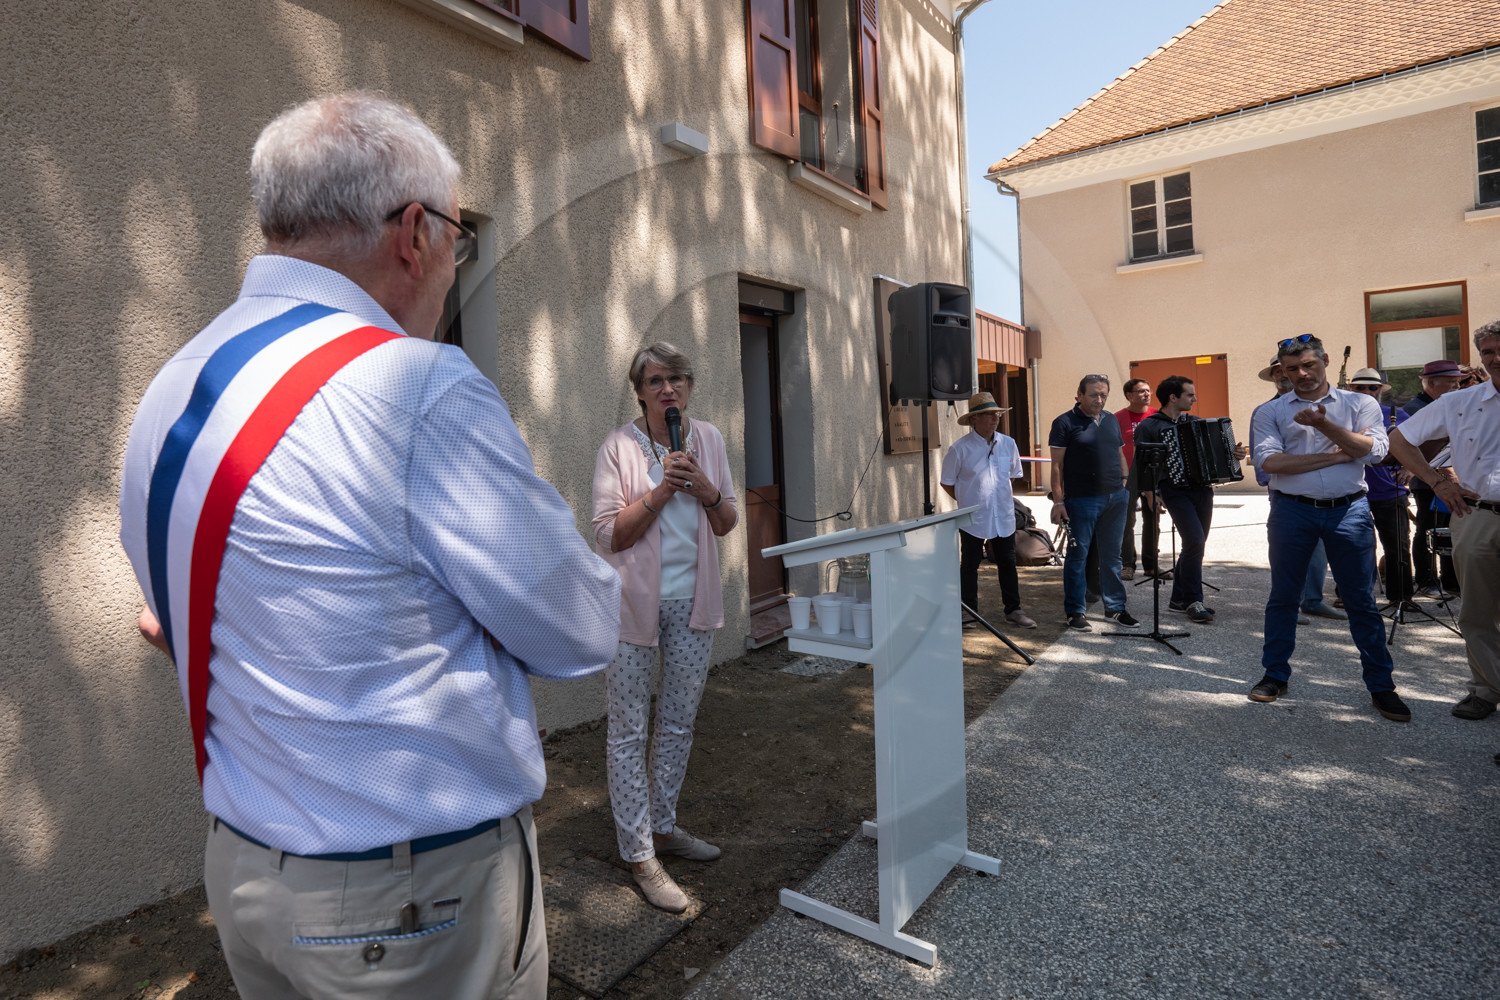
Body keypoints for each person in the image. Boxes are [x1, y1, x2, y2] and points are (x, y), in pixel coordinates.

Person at [117, 93, 622, 999]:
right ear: (416, 233)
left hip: (248, 878)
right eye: (459, 240)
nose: (452, 266)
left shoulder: (173, 384)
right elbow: (581, 629)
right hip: (409, 901)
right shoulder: (413, 388)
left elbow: (198, 609)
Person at [591, 343, 738, 912]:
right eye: (655, 381)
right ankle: (638, 852)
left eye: (676, 379)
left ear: (690, 386)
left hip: (693, 603)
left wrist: (703, 489)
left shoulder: (710, 441)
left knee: (677, 723)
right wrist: (659, 492)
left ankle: (665, 827)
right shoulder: (617, 447)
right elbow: (609, 536)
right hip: (633, 609)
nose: (667, 390)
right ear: (640, 390)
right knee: (629, 730)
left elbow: (725, 522)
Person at [1248, 334, 1409, 722]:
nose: (1301, 374)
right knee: (1284, 596)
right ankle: (1275, 674)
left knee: (1360, 601)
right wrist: (1339, 454)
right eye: (1291, 369)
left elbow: (1374, 452)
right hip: (1292, 511)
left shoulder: (1361, 403)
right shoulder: (1269, 411)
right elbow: (1270, 464)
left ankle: (1381, 685)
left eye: (1309, 365)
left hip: (1349, 511)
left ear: (1324, 361)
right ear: (1281, 372)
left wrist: (1328, 426)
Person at [1388, 322, 1500, 721]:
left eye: (1499, 349)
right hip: (1477, 516)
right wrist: (1436, 480)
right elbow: (1399, 440)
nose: (1495, 358)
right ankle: (1486, 689)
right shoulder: (1460, 402)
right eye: (1487, 352)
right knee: (1476, 611)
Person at [1133, 376, 1247, 624]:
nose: (1194, 399)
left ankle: (1178, 599)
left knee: (1196, 544)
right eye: (1190, 395)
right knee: (1194, 540)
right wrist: (1151, 494)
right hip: (1173, 490)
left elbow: (1224, 453)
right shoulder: (1149, 426)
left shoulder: (1195, 422)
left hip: (1203, 489)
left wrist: (1236, 453)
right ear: (1173, 397)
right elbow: (1144, 467)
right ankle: (1195, 600)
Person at [1049, 374, 1138, 631]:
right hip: (1082, 500)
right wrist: (1058, 502)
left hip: (1116, 498)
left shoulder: (1110, 420)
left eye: (1104, 395)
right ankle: (1075, 612)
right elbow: (1057, 465)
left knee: (1113, 557)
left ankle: (1115, 609)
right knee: (1078, 556)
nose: (1099, 400)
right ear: (1079, 395)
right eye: (1094, 395)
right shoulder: (1064, 423)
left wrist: (1123, 484)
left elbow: (1119, 452)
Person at [941, 391, 1036, 629]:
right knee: (970, 564)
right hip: (973, 516)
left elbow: (1011, 477)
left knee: (1007, 562)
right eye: (988, 414)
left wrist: (995, 499)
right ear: (974, 419)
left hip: (1002, 514)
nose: (995, 418)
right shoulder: (959, 449)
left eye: (997, 413)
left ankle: (1013, 610)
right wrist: (969, 500)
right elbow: (947, 482)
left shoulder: (1008, 444)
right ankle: (968, 611)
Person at [1250, 355, 1330, 625]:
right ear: (1274, 377)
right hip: (1286, 493)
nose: (1284, 375)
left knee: (1319, 549)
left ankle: (1314, 600)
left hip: (1325, 491)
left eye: (1287, 370)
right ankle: (1290, 604)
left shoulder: (1323, 404)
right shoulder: (1265, 411)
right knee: (1288, 553)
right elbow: (1265, 461)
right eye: (1279, 372)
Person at [1345, 368, 1415, 608]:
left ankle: (1402, 597)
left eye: (1372, 387)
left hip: (1389, 491)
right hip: (1352, 492)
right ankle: (1351, 596)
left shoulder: (1397, 414)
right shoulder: (1341, 415)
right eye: (1360, 387)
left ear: (1380, 391)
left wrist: (1410, 469)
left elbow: (1420, 445)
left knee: (1397, 547)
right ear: (1351, 390)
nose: (1366, 392)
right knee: (1354, 548)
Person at [1403, 359, 1464, 598]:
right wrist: (1446, 475)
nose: (1456, 388)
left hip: (1451, 478)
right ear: (1430, 382)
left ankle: (1450, 580)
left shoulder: (1447, 404)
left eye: (1457, 383)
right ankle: (1426, 580)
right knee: (1427, 528)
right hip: (1427, 479)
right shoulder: (1415, 408)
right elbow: (1414, 448)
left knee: (1450, 529)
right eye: (1451, 383)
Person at [1115, 378, 1160, 581]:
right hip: (1127, 477)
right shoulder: (1117, 418)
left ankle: (1151, 565)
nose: (1147, 394)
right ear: (1129, 395)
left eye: (1148, 390)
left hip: (1152, 475)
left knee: (1153, 520)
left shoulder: (1158, 416)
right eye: (1141, 391)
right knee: (1127, 521)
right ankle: (1127, 564)